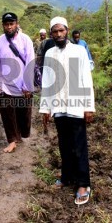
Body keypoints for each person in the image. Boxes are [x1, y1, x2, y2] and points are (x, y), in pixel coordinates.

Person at [39, 16, 95, 205]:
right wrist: (45, 108)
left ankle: (83, 184)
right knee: (64, 144)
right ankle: (67, 177)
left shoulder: (79, 51)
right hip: (58, 108)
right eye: (55, 31)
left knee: (79, 146)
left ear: (67, 30)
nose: (58, 34)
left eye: (61, 30)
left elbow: (86, 79)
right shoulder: (49, 54)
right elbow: (47, 82)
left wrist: (88, 107)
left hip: (76, 106)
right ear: (52, 34)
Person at [0, 12, 35, 153]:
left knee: (23, 112)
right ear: (3, 25)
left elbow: (30, 62)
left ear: (16, 24)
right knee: (7, 113)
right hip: (5, 84)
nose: (9, 27)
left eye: (11, 24)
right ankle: (12, 140)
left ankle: (20, 134)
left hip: (22, 84)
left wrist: (27, 85)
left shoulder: (25, 39)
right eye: (6, 24)